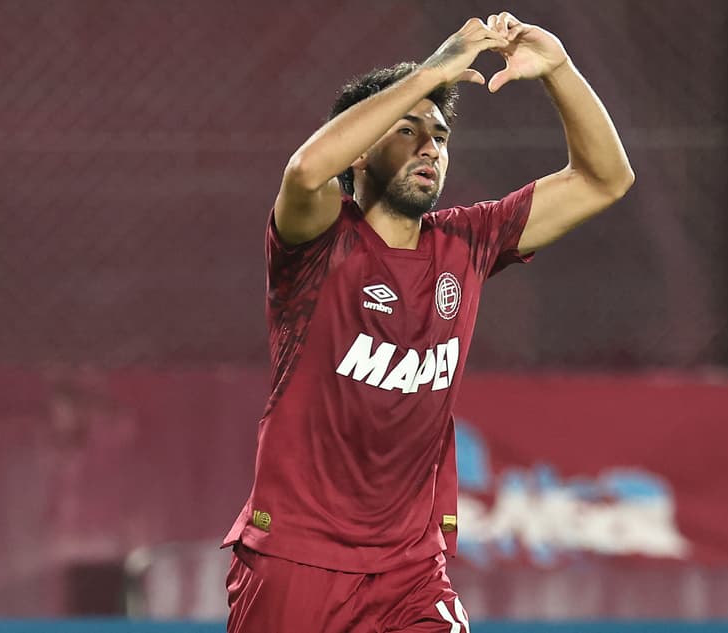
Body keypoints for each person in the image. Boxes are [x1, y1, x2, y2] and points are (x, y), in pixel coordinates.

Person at [222, 11, 634, 632]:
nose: (430, 149)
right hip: (297, 556)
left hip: (411, 567)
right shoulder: (315, 245)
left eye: (440, 137)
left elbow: (605, 179)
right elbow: (305, 172)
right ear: (358, 149)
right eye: (408, 130)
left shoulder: (468, 242)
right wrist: (435, 69)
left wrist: (560, 70)